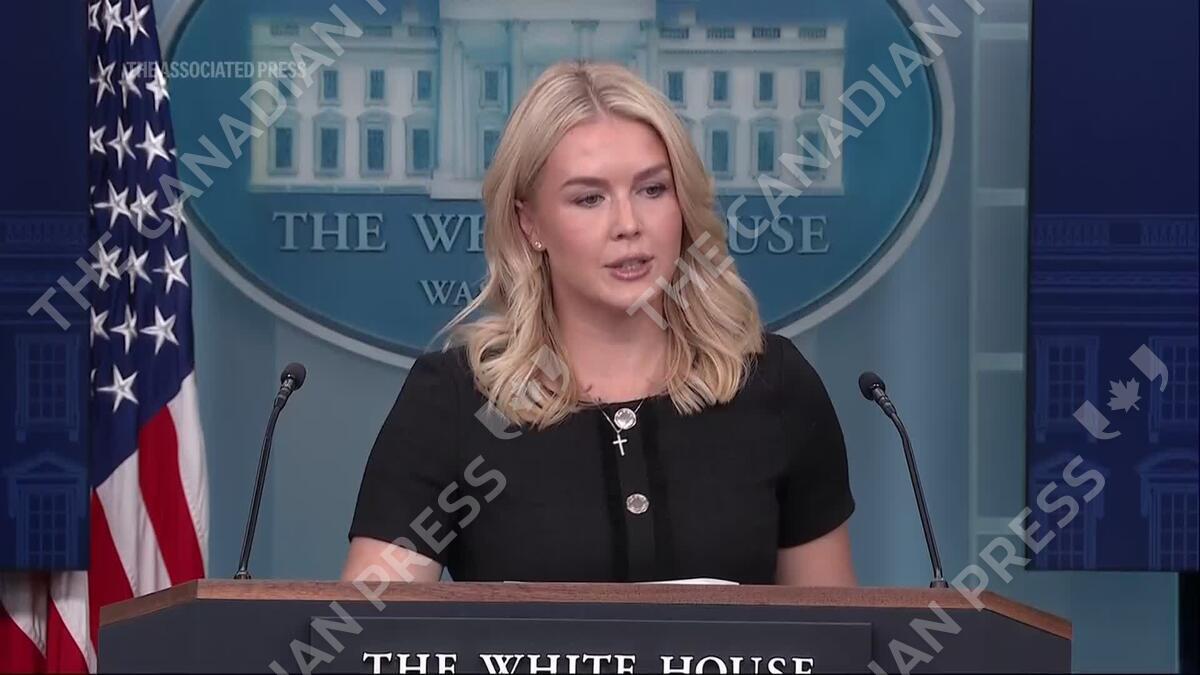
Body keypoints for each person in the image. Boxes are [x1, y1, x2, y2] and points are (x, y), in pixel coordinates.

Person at [342, 60, 855, 586]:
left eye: (652, 190)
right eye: (589, 198)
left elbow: (834, 625)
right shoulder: (455, 403)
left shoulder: (774, 386)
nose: (628, 225)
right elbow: (368, 624)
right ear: (529, 223)